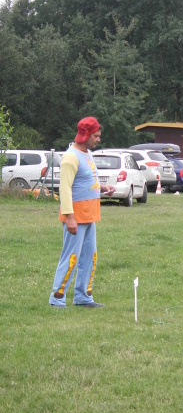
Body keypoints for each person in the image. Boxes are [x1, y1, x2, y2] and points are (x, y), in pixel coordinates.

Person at [49, 117, 115, 308]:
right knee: (71, 257)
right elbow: (65, 188)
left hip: (90, 216)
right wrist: (70, 217)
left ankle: (83, 296)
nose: (98, 140)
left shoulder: (87, 154)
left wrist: (102, 188)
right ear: (85, 135)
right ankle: (57, 298)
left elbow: (85, 181)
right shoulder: (70, 157)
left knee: (89, 256)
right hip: (76, 218)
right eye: (96, 136)